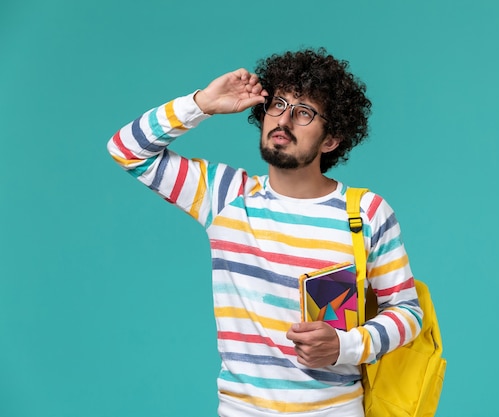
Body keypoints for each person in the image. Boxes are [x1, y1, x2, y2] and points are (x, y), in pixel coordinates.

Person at [107, 47, 422, 417]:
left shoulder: (366, 212)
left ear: (331, 140)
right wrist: (202, 103)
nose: (284, 120)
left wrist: (345, 346)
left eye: (303, 112)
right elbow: (127, 150)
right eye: (278, 104)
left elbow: (406, 313)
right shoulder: (224, 196)